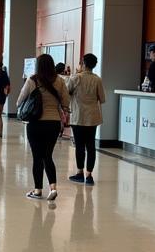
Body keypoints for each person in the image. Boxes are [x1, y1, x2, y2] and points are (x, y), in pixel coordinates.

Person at [16, 54, 70, 201]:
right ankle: (53, 188)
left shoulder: (32, 80)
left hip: (35, 123)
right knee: (48, 156)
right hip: (53, 123)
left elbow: (19, 100)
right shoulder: (60, 81)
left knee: (37, 157)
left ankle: (38, 190)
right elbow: (66, 102)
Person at [67, 54, 106, 185]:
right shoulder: (98, 80)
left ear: (83, 63)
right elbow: (103, 99)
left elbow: (66, 94)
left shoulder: (75, 78)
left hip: (78, 116)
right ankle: (89, 176)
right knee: (90, 146)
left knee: (79, 146)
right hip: (93, 117)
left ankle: (79, 173)